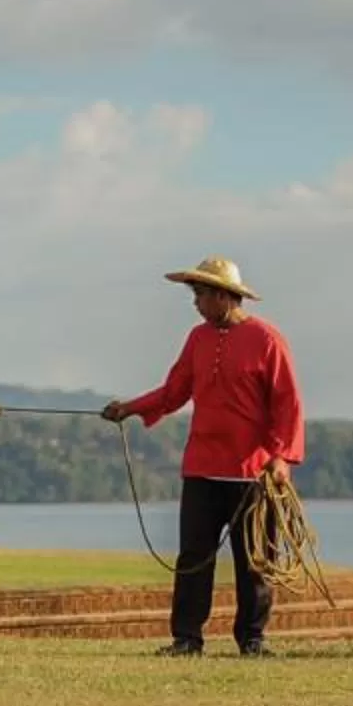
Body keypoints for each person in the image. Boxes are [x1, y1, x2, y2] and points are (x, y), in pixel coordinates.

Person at [100, 256, 303, 659]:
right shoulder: (197, 339)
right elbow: (174, 391)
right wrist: (130, 408)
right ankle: (187, 638)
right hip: (203, 467)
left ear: (225, 297)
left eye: (201, 294)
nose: (195, 303)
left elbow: (288, 404)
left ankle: (252, 638)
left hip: (253, 473)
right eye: (194, 294)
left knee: (256, 561)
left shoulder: (267, 340)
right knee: (193, 557)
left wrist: (282, 459)